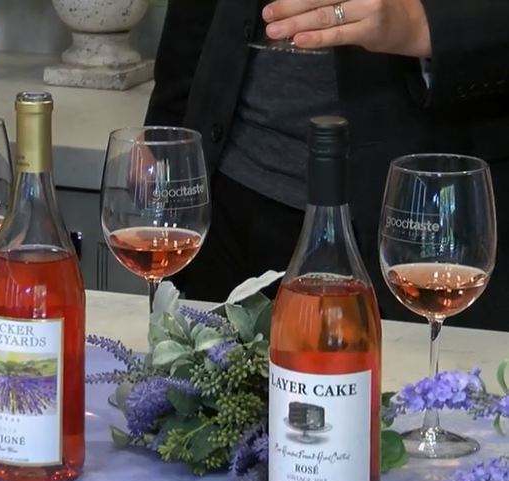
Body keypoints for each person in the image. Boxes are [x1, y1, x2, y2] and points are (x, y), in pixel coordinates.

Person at [146, 0, 509, 331]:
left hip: (422, 208)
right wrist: (164, 133)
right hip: (228, 193)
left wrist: (425, 24)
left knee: (421, 381)